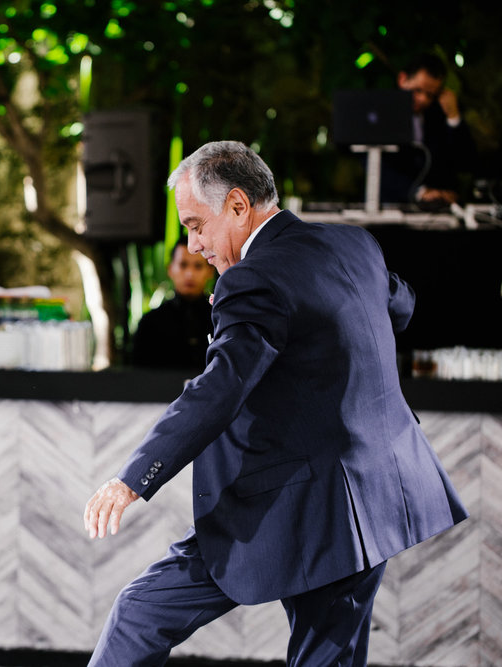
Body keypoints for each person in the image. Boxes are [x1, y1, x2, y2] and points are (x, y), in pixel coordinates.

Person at [83, 141, 467, 667]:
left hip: (294, 507)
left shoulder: (252, 278)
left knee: (139, 614)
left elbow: (219, 387)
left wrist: (131, 479)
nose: (193, 245)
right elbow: (399, 306)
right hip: (373, 499)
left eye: (196, 225)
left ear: (238, 206)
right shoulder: (353, 245)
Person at [382, 52, 476, 206]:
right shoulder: (383, 113)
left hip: (437, 210)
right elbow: (378, 169)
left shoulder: (438, 115)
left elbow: (465, 162)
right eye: (417, 90)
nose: (423, 99)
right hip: (393, 207)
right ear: (402, 79)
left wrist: (453, 117)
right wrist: (418, 192)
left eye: (431, 95)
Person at [130, 239, 215, 369]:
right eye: (183, 265)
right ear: (170, 269)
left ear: (210, 271)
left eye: (198, 266)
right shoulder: (150, 324)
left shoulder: (219, 319)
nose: (189, 274)